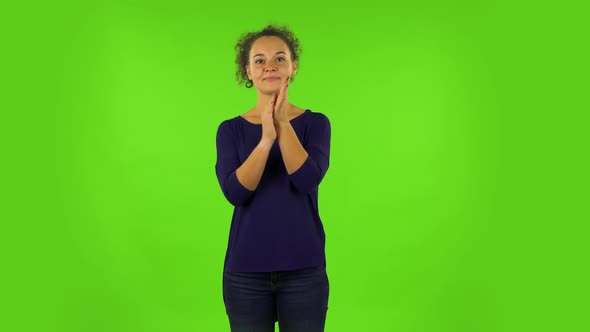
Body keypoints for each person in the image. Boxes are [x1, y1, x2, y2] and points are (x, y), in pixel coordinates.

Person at [214, 24, 331, 332]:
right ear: (248, 71)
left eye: (280, 58)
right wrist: (266, 139)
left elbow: (306, 179)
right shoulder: (230, 130)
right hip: (245, 275)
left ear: (292, 67)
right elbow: (236, 192)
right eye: (259, 60)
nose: (270, 66)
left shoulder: (316, 124)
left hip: (304, 271)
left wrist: (282, 123)